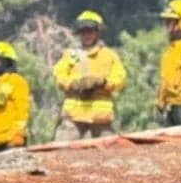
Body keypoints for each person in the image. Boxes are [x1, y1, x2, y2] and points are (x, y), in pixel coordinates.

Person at [51, 10, 126, 139]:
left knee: (109, 152)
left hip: (100, 117)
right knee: (61, 149)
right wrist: (73, 84)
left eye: (90, 31)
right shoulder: (70, 55)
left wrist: (103, 83)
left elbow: (120, 79)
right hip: (73, 116)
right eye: (83, 31)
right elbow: (59, 75)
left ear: (97, 32)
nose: (87, 35)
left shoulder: (109, 55)